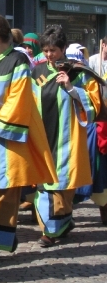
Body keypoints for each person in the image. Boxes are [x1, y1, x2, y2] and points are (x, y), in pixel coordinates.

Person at [0, 15, 57, 263]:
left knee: (4, 195)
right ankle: (0, 233)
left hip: (6, 139)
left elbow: (18, 102)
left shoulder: (18, 62)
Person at [32, 25, 101, 246]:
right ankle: (60, 224)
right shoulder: (37, 71)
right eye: (45, 50)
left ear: (63, 49)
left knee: (60, 185)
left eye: (53, 50)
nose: (49, 55)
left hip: (67, 138)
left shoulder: (79, 73)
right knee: (45, 185)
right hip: (43, 135)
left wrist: (71, 88)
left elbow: (94, 106)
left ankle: (51, 231)